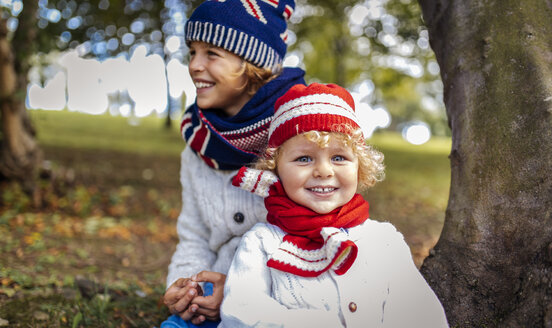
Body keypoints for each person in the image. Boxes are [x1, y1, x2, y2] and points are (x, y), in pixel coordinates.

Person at [224, 83, 449, 327]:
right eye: (304, 158)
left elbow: (421, 315)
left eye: (339, 157)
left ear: (360, 167)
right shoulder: (261, 243)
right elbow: (241, 312)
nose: (323, 170)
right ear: (275, 169)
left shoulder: (384, 241)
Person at [161, 0, 305, 327]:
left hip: (288, 302)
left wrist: (240, 291)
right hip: (213, 300)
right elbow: (195, 236)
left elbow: (315, 236)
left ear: (254, 64)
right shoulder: (198, 144)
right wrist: (185, 287)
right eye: (192, 52)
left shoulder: (298, 136)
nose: (195, 65)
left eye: (212, 53)